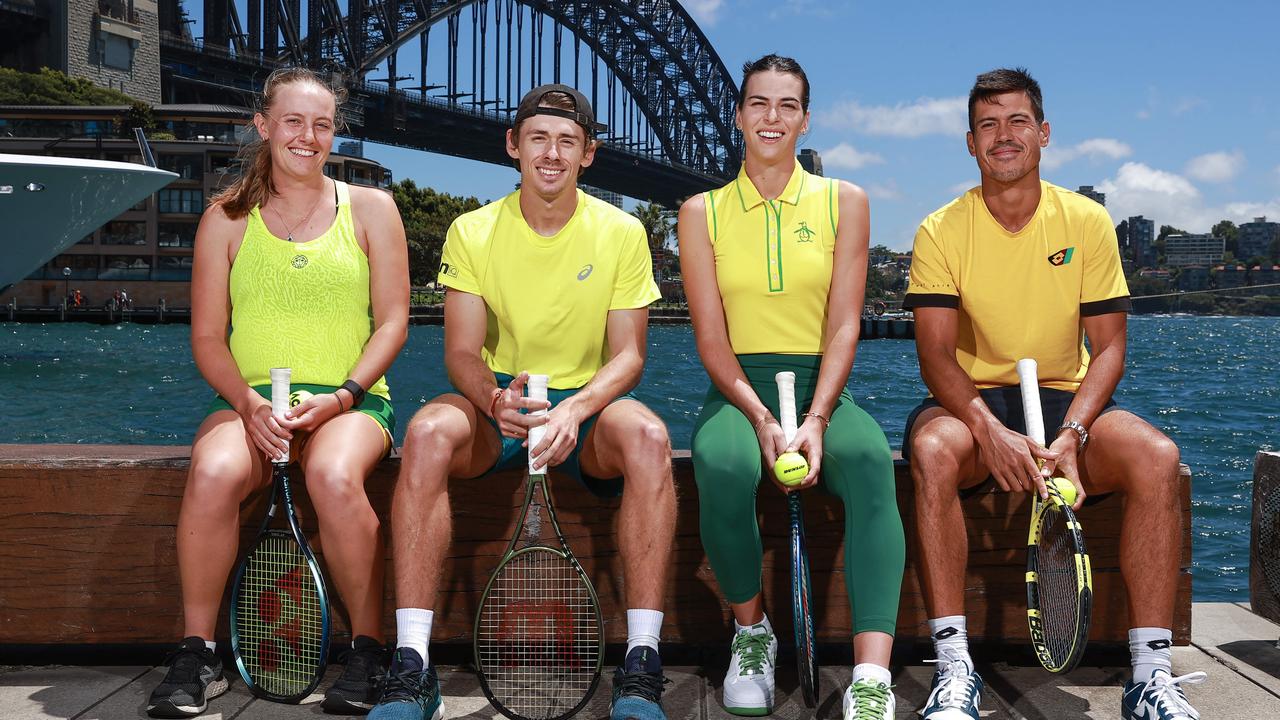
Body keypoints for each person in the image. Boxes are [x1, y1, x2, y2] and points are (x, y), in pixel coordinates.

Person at [367, 84, 677, 720]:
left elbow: (629, 357)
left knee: (649, 438)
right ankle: (412, 663)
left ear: (588, 154)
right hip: (501, 404)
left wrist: (575, 409)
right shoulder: (472, 231)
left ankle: (642, 664)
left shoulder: (622, 232)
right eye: (538, 138)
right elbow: (460, 353)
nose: (552, 153)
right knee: (425, 433)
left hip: (583, 414)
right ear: (513, 146)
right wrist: (492, 397)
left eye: (567, 142)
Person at [902, 67, 1202, 720]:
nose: (1002, 136)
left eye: (1016, 122)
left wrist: (1073, 435)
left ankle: (1150, 677)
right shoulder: (939, 229)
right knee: (932, 452)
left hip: (1068, 399)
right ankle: (954, 672)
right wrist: (988, 430)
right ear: (970, 142)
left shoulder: (1087, 221)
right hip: (972, 397)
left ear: (1043, 133)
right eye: (987, 125)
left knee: (1155, 456)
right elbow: (934, 356)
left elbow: (1111, 347)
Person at [146, 66, 409, 718]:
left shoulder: (372, 209)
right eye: (293, 121)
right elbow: (208, 340)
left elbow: (396, 319)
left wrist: (345, 396)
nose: (308, 136)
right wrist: (249, 405)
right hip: (251, 402)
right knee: (211, 470)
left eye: (322, 124)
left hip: (351, 399)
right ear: (263, 125)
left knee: (336, 475)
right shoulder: (225, 218)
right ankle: (198, 652)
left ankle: (369, 648)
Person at [678, 54, 904, 720]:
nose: (770, 118)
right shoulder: (701, 212)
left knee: (867, 461)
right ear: (738, 114)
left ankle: (871, 676)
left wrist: (819, 418)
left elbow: (842, 328)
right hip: (738, 389)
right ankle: (752, 632)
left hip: (823, 386)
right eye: (758, 104)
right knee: (720, 461)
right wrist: (759, 419)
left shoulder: (846, 203)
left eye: (786, 106)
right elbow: (712, 342)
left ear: (806, 119)